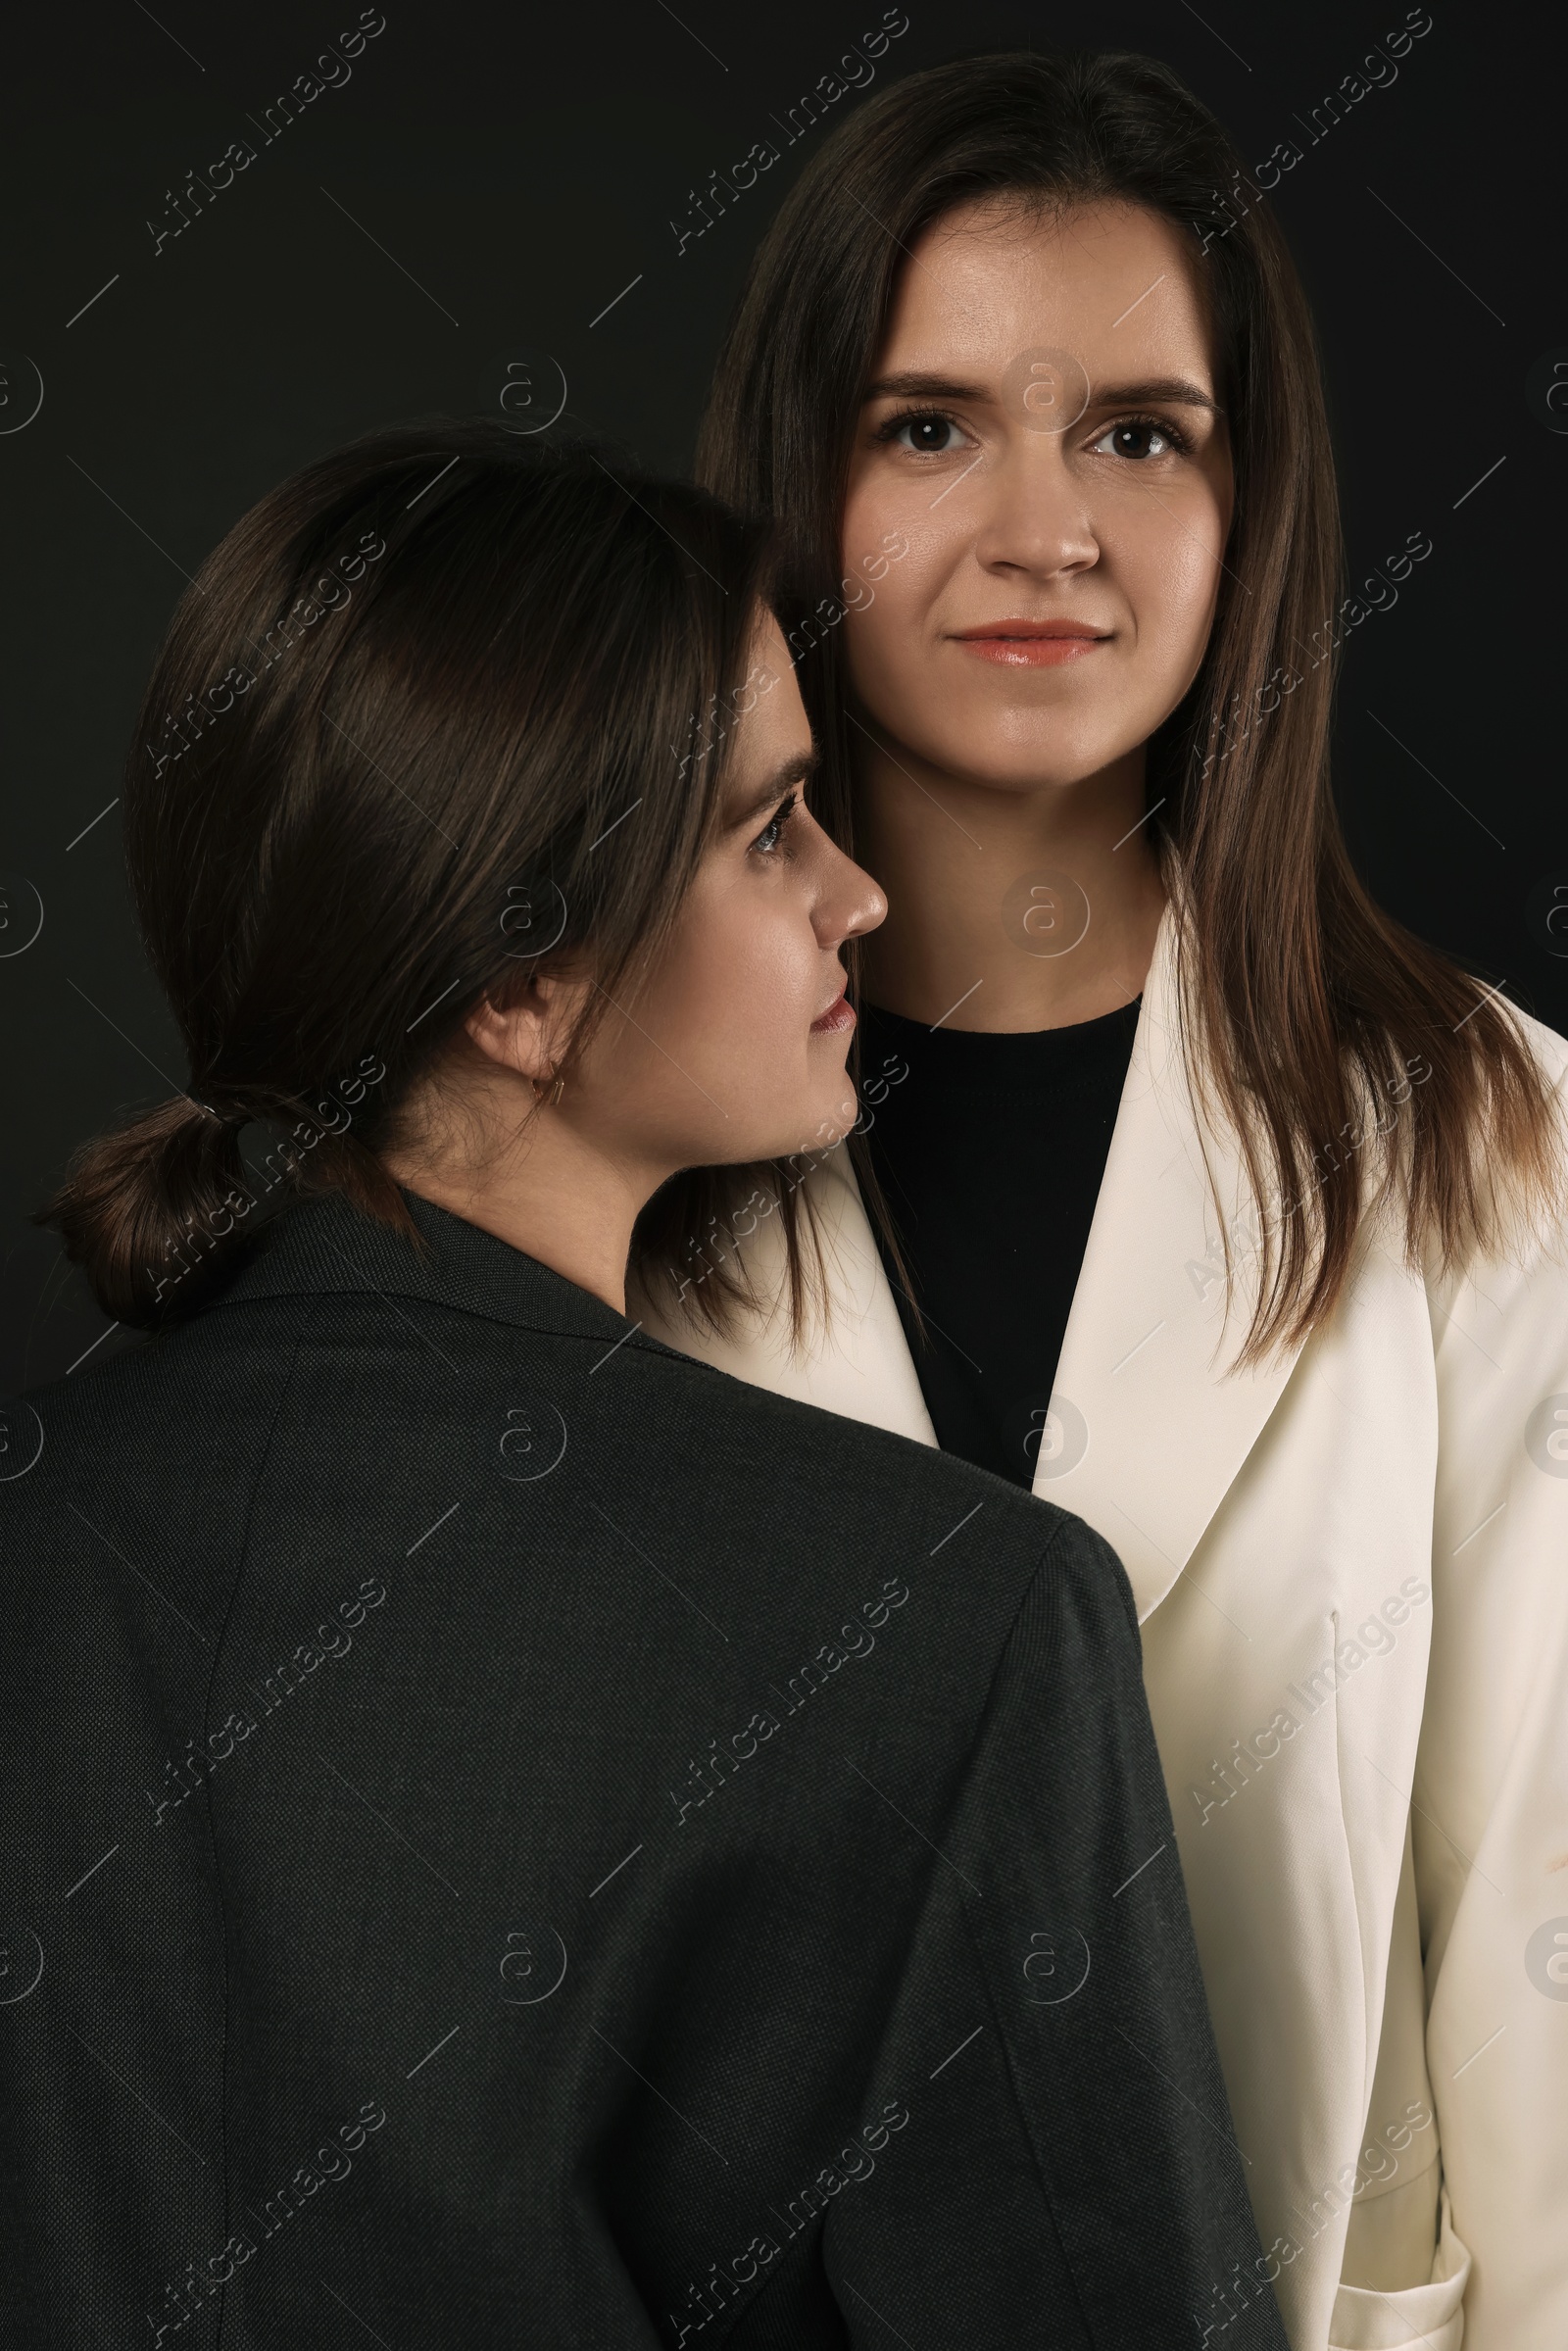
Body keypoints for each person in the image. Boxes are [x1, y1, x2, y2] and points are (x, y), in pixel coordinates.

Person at [0, 420, 1288, 2348]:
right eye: (769, 827)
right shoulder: (946, 1624)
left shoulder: (49, 1545)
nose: (852, 891)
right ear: (513, 979)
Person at [627, 48, 1568, 2351]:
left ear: (1252, 511)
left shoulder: (1489, 1132)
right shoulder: (585, 1135)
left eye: (1137, 434)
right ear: (792, 489)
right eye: (928, 426)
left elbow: (1544, 1947)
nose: (1046, 529)